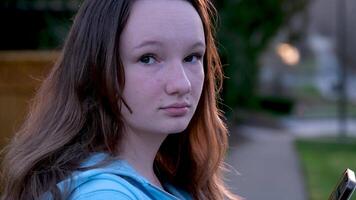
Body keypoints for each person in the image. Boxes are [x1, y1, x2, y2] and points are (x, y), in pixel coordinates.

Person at [0, 0, 239, 199]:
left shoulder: (166, 179)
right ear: (97, 68)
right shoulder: (103, 194)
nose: (182, 84)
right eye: (148, 58)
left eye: (192, 57)